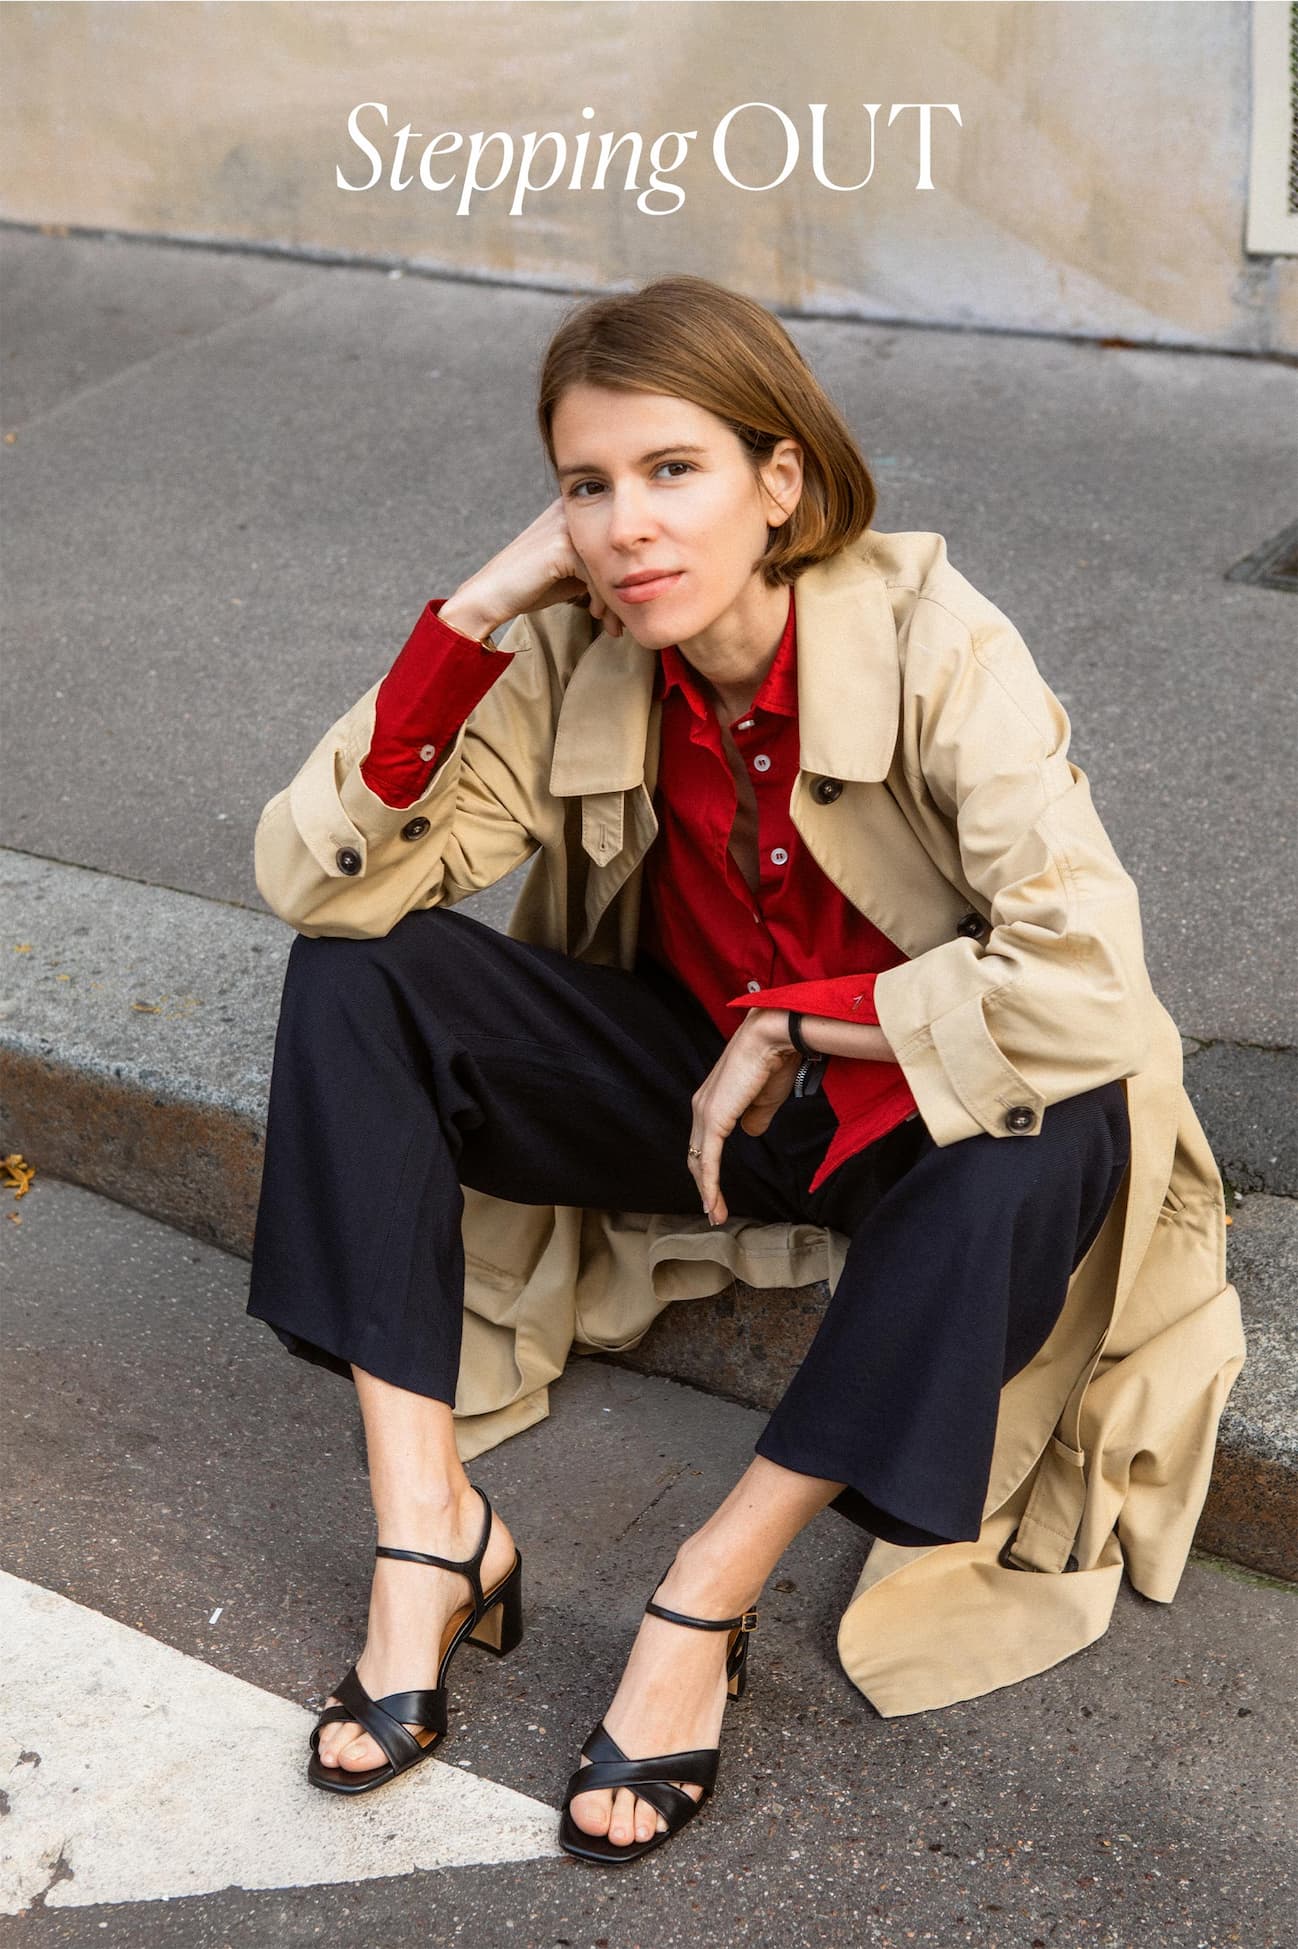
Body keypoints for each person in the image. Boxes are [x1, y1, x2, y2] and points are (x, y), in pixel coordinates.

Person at [248, 275, 1242, 1866]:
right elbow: (324, 880)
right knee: (356, 978)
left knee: (1052, 1123)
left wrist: (803, 1015)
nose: (628, 526)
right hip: (684, 1097)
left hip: (900, 1112)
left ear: (778, 483)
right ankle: (426, 1533)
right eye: (587, 485)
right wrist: (467, 619)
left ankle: (704, 1595)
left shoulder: (934, 634)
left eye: (673, 470)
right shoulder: (580, 648)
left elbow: (1086, 984)